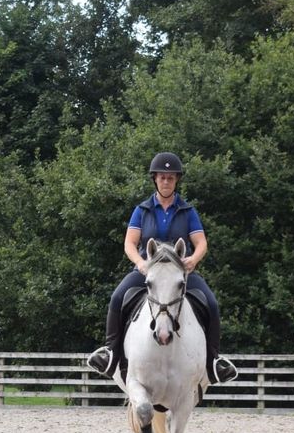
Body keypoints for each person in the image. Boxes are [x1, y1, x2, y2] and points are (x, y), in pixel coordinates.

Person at [87, 152, 239, 384]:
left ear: (176, 180)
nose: (166, 181)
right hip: (148, 272)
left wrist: (193, 260)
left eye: (170, 177)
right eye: (162, 177)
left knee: (211, 303)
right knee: (117, 297)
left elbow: (201, 243)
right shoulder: (142, 210)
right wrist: (140, 263)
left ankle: (214, 362)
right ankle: (110, 354)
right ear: (155, 179)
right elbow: (130, 243)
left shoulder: (188, 211)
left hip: (180, 274)